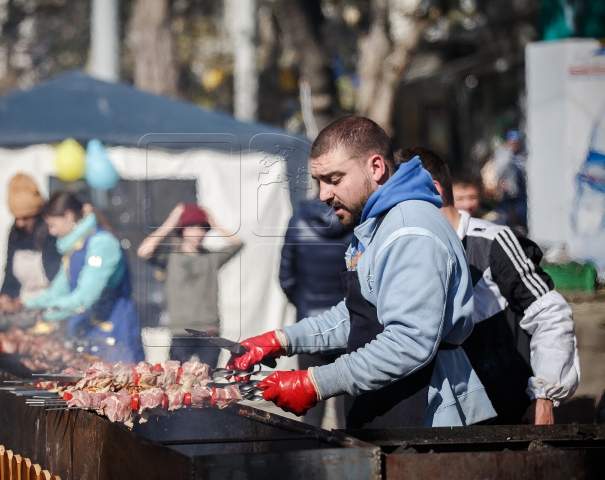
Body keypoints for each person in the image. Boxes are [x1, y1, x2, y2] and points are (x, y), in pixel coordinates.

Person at [229, 115, 495, 428]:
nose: (324, 194)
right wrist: (282, 339)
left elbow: (409, 342)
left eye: (334, 179)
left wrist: (316, 382)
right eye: (319, 181)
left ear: (376, 167)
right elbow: (359, 315)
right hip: (389, 400)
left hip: (428, 412)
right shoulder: (376, 224)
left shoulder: (410, 230)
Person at [396, 147, 580, 425]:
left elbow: (551, 313)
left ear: (432, 190)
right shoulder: (405, 249)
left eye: (396, 196)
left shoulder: (492, 242)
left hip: (508, 416)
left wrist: (544, 396)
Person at [24, 191, 144, 363]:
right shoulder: (73, 249)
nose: (51, 232)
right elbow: (57, 291)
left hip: (115, 333)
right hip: (88, 332)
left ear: (69, 216)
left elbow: (83, 299)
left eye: (52, 224)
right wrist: (25, 307)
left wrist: (44, 314)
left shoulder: (102, 244)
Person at [137, 203, 243, 368]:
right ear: (182, 230)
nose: (197, 233)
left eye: (202, 228)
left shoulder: (211, 257)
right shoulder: (171, 257)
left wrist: (215, 224)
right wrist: (170, 224)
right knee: (177, 380)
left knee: (208, 379)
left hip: (209, 329)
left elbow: (238, 243)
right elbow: (144, 251)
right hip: (181, 330)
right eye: (192, 227)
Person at [279, 197, 352, 428]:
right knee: (347, 408)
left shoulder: (298, 220)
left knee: (310, 404)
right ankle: (350, 460)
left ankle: (309, 461)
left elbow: (285, 277)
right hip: (349, 322)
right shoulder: (354, 220)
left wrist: (303, 304)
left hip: (309, 324)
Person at [0, 174, 60, 308]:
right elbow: (10, 275)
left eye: (26, 218)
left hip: (52, 303)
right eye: (17, 218)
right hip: (24, 304)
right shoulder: (15, 234)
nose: (20, 223)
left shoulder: (53, 234)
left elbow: (60, 279)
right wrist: (5, 296)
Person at [493, 129, 528, 233]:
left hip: (521, 191)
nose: (514, 145)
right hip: (507, 191)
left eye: (516, 143)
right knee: (506, 216)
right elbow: (499, 171)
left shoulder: (522, 154)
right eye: (512, 142)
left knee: (522, 214)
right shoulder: (502, 154)